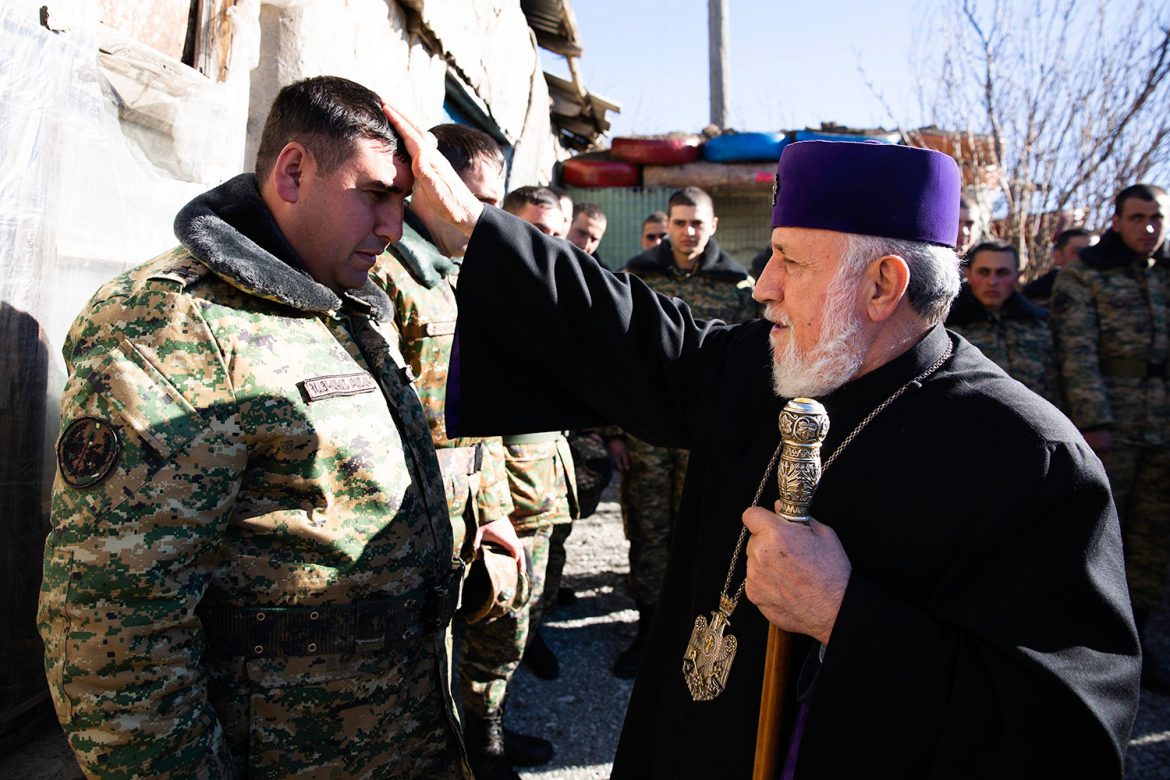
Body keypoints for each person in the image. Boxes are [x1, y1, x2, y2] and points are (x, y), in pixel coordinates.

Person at [385, 101, 1140, 777]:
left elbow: (1063, 736)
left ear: (883, 286)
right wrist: (475, 231)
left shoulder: (1028, 461)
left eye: (792, 261)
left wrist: (846, 615)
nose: (763, 284)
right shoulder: (767, 366)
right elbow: (631, 333)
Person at [38, 77, 478, 779]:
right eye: (374, 194)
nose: (394, 229)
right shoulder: (172, 326)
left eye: (403, 201)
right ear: (294, 172)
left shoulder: (351, 307)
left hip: (398, 734)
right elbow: (112, 625)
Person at [368, 124, 548, 779]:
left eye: (493, 202)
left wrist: (493, 508)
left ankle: (480, 741)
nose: (484, 217)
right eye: (474, 197)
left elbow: (480, 419)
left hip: (463, 516)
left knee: (476, 641)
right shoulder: (382, 274)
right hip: (403, 533)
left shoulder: (456, 276)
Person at [606, 186, 757, 679]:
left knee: (704, 534)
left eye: (698, 223)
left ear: (712, 226)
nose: (688, 231)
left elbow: (757, 365)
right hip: (648, 433)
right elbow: (614, 357)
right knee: (647, 532)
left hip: (706, 435)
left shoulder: (738, 286)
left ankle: (691, 635)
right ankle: (649, 634)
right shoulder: (637, 277)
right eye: (680, 222)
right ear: (666, 224)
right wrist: (614, 431)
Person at [1051, 183, 1170, 693]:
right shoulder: (1086, 275)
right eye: (1138, 217)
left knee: (1151, 540)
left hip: (1162, 425)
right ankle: (1085, 652)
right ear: (1116, 221)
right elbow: (1076, 352)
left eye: (1157, 218)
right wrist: (1095, 422)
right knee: (1099, 536)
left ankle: (1137, 647)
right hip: (1112, 426)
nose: (1148, 228)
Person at [494, 186, 580, 683]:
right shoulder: (483, 294)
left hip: (543, 483)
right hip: (500, 496)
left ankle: (532, 645)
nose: (547, 242)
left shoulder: (555, 294)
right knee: (495, 615)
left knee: (531, 596)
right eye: (536, 230)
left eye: (555, 233)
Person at [945, 239, 1061, 406]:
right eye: (984, 272)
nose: (992, 282)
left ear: (1018, 276)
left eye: (1002, 273)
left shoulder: (1040, 323)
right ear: (968, 274)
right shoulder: (945, 325)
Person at [1023, 227, 1095, 306]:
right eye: (1076, 252)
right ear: (1058, 256)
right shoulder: (1037, 293)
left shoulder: (1099, 288)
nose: (1084, 256)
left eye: (1089, 252)